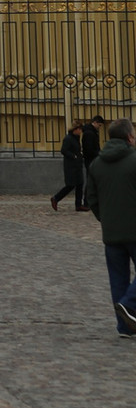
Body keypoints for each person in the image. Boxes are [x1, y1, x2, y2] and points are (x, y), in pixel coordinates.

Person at [84, 117, 136, 338]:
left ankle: (124, 327)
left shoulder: (97, 163)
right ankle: (129, 304)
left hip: (111, 231)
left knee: (118, 278)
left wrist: (105, 218)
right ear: (129, 137)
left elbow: (91, 198)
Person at [51, 121, 87, 212]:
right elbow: (64, 150)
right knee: (70, 185)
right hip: (70, 166)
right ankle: (56, 198)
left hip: (78, 164)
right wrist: (73, 156)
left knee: (80, 184)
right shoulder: (68, 138)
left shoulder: (76, 138)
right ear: (76, 129)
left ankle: (78, 205)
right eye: (80, 130)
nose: (81, 132)